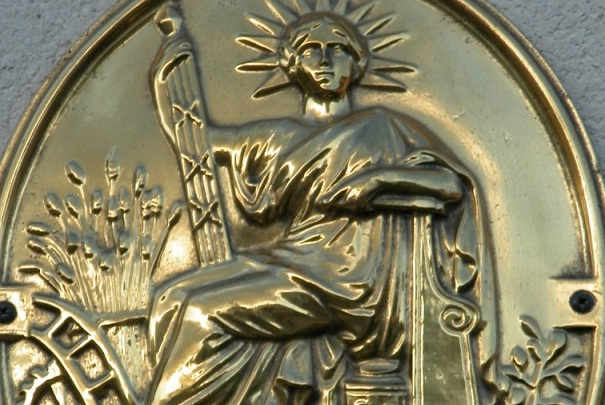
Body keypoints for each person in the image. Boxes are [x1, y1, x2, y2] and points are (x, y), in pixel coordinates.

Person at [147, 2, 498, 404]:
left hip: (349, 279)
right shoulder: (274, 137)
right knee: (170, 300)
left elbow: (449, 184)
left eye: (338, 49)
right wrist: (171, 63)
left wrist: (376, 179)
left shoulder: (384, 127)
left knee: (200, 312)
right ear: (291, 64)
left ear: (357, 63)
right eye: (312, 50)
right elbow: (194, 139)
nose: (326, 60)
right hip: (291, 261)